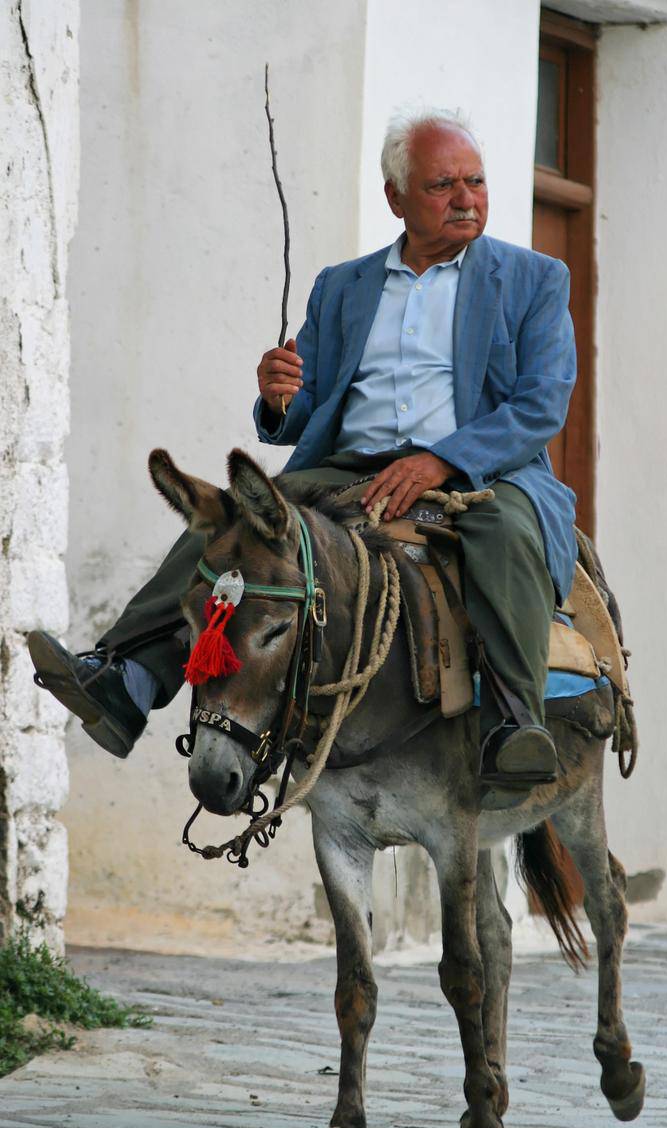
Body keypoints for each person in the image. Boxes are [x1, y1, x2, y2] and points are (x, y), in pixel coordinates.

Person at [28, 107, 578, 800]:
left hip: (481, 471)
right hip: (348, 465)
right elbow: (306, 407)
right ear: (396, 198)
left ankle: (516, 723)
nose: (466, 199)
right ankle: (129, 679)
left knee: (505, 534)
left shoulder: (533, 279)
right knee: (232, 526)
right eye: (443, 185)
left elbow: (540, 404)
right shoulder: (343, 285)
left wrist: (443, 460)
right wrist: (279, 398)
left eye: (476, 181)